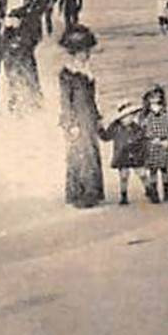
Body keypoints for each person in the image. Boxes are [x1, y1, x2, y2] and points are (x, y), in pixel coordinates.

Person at [56, 25, 104, 208]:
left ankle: (93, 191)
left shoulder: (86, 71)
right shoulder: (68, 74)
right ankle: (82, 194)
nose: (86, 55)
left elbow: (91, 99)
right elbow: (65, 101)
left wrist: (97, 116)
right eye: (83, 52)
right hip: (76, 120)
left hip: (88, 117)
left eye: (87, 51)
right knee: (80, 154)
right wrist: (71, 123)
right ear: (74, 53)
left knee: (90, 152)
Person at [97, 101, 146, 205]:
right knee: (124, 175)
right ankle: (124, 196)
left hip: (135, 154)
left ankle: (150, 190)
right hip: (122, 154)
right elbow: (106, 137)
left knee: (142, 173)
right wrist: (100, 129)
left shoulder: (135, 127)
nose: (129, 119)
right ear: (121, 117)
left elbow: (142, 137)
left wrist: (137, 143)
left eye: (131, 116)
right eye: (127, 116)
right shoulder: (115, 127)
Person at [139, 84, 168, 202]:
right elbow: (143, 131)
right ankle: (154, 193)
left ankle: (167, 192)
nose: (155, 99)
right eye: (152, 97)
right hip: (152, 144)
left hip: (165, 143)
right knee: (153, 170)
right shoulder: (145, 116)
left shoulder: (166, 113)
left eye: (158, 97)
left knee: (164, 169)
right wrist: (153, 139)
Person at [1, 6, 42, 114]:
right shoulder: (8, 31)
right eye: (12, 19)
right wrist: (12, 46)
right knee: (14, 83)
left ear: (20, 19)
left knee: (31, 81)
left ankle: (36, 102)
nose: (13, 21)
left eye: (16, 19)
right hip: (12, 62)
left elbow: (30, 43)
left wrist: (18, 44)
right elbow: (4, 44)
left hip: (25, 61)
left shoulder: (26, 30)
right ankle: (14, 104)